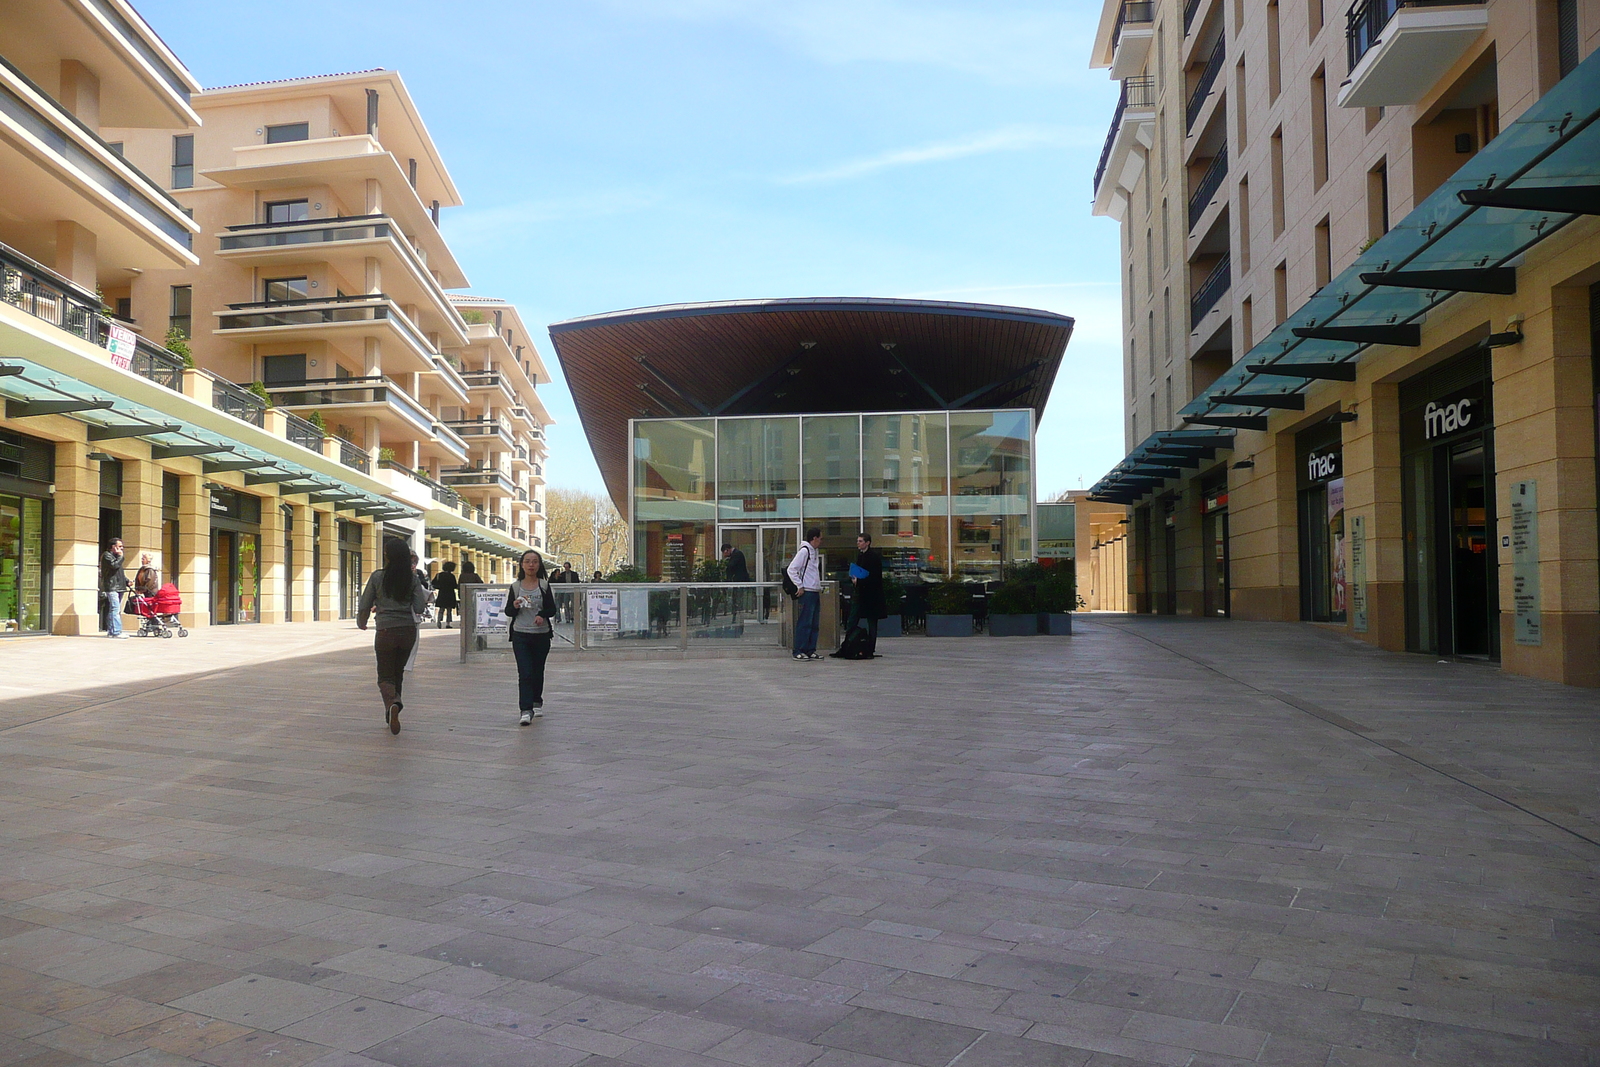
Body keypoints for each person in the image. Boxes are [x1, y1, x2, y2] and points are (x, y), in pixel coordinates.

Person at [356, 538, 430, 735]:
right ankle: (391, 711)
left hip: (385, 631)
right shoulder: (412, 578)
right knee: (398, 673)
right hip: (407, 631)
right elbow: (420, 607)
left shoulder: (378, 577)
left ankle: (393, 703)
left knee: (384, 675)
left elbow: (365, 603)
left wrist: (361, 621)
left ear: (387, 555)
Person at [505, 549, 556, 725]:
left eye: (534, 561)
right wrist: (515, 605)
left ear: (539, 564)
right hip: (520, 634)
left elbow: (552, 609)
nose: (531, 565)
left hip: (541, 635)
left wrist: (542, 615)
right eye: (527, 561)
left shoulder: (544, 585)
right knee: (525, 672)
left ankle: (537, 701)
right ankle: (526, 710)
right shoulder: (515, 587)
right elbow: (508, 612)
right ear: (521, 564)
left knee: (537, 670)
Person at [832, 533, 885, 660]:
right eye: (857, 541)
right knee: (852, 620)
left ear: (867, 543)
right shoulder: (860, 556)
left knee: (872, 623)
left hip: (871, 595)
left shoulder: (873, 557)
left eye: (861, 541)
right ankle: (847, 646)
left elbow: (875, 577)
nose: (858, 543)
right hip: (860, 594)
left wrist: (859, 581)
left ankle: (870, 649)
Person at [786, 527, 823, 661]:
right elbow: (792, 569)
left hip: (814, 590)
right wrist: (799, 586)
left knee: (814, 623)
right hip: (807, 591)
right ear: (814, 538)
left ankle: (810, 649)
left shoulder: (814, 551)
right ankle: (799, 650)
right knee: (805, 622)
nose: (821, 541)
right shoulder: (805, 551)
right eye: (820, 538)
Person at [404, 552, 434, 675]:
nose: (413, 565)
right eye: (411, 563)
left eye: (415, 563)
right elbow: (423, 596)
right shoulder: (413, 579)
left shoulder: (382, 576)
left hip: (388, 618)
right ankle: (406, 665)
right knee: (412, 642)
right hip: (410, 616)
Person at [101, 537, 129, 639]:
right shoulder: (107, 556)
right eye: (120, 546)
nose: (122, 548)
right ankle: (116, 632)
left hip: (119, 586)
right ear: (113, 547)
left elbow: (118, 572)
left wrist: (126, 581)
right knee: (115, 609)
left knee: (115, 609)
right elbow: (114, 566)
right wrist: (121, 557)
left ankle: (112, 631)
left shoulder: (116, 557)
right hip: (112, 587)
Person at [432, 560, 460, 628]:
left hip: (442, 593)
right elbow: (454, 585)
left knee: (441, 609)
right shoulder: (451, 576)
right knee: (449, 610)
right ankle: (448, 623)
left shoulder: (439, 575)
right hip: (450, 594)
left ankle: (439, 621)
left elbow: (433, 583)